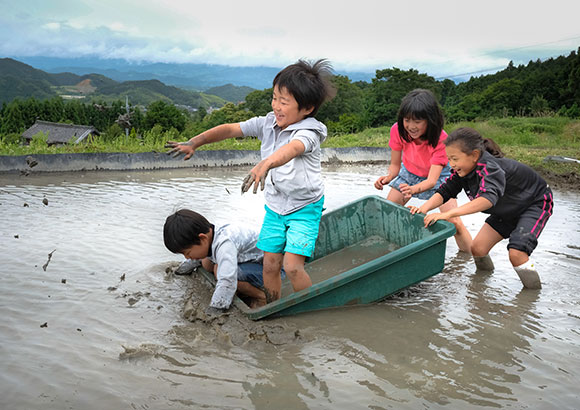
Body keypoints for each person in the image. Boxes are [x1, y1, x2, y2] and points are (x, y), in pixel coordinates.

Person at [165, 59, 335, 303]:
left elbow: (293, 149)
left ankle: (310, 307)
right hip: (276, 208)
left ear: (306, 108)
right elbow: (231, 129)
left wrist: (266, 164)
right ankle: (274, 305)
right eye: (274, 97)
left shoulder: (310, 132)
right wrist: (196, 142)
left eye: (284, 102)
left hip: (305, 208)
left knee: (293, 266)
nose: (276, 106)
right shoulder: (268, 123)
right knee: (269, 264)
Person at [409, 127, 554, 289]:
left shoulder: (489, 168)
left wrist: (448, 214)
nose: (452, 164)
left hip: (534, 202)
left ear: (475, 155)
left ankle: (533, 295)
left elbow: (487, 200)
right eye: (449, 159)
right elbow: (445, 190)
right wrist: (424, 208)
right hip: (507, 209)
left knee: (517, 253)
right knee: (477, 248)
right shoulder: (463, 171)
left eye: (455, 159)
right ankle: (479, 286)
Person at [374, 89, 472, 253]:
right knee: (388, 213)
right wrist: (388, 177)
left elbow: (432, 181)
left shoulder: (441, 139)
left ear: (430, 120)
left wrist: (412, 190)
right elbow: (395, 166)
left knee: (454, 221)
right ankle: (391, 253)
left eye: (417, 121)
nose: (411, 127)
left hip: (440, 177)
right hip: (409, 173)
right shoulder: (397, 130)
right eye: (407, 120)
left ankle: (474, 260)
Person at [163, 209, 269, 314]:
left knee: (219, 271)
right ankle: (242, 291)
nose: (187, 257)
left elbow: (227, 279)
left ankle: (260, 296)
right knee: (206, 262)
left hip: (268, 268)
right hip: (248, 260)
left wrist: (216, 308)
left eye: (187, 253)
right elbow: (195, 259)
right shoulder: (210, 234)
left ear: (202, 238)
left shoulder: (225, 244)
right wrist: (179, 271)